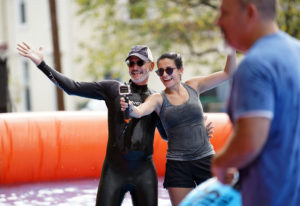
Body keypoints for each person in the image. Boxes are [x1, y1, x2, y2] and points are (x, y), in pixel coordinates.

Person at [17, 43, 168, 206]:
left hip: (144, 173)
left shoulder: (156, 99)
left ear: (151, 66)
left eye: (139, 62)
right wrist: (42, 64)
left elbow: (166, 135)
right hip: (114, 172)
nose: (134, 67)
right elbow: (72, 88)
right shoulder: (113, 89)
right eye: (131, 63)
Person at [211, 0, 300, 206]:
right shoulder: (296, 52)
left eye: (225, 13)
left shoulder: (255, 65)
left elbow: (249, 142)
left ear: (250, 12)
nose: (218, 22)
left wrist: (221, 163)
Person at [120, 51, 236, 206]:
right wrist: (129, 108)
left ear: (180, 70)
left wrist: (231, 48)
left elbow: (228, 73)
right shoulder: (158, 99)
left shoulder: (194, 85)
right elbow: (139, 111)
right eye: (160, 72)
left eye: (169, 70)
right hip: (178, 165)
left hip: (205, 159)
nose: (164, 75)